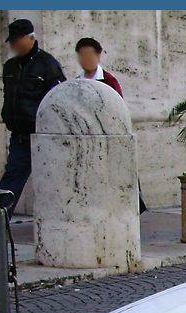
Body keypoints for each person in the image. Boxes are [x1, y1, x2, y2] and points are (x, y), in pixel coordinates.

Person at [0, 19, 66, 214]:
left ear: (31, 38)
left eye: (18, 40)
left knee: (53, 181)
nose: (14, 46)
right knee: (11, 180)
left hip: (43, 137)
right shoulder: (10, 67)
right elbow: (8, 96)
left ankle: (58, 220)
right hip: (19, 136)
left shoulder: (48, 64)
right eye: (12, 41)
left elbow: (59, 99)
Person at [75, 36, 145, 213]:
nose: (86, 59)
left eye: (89, 54)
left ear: (98, 56)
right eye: (82, 55)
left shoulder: (109, 81)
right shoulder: (77, 82)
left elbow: (118, 111)